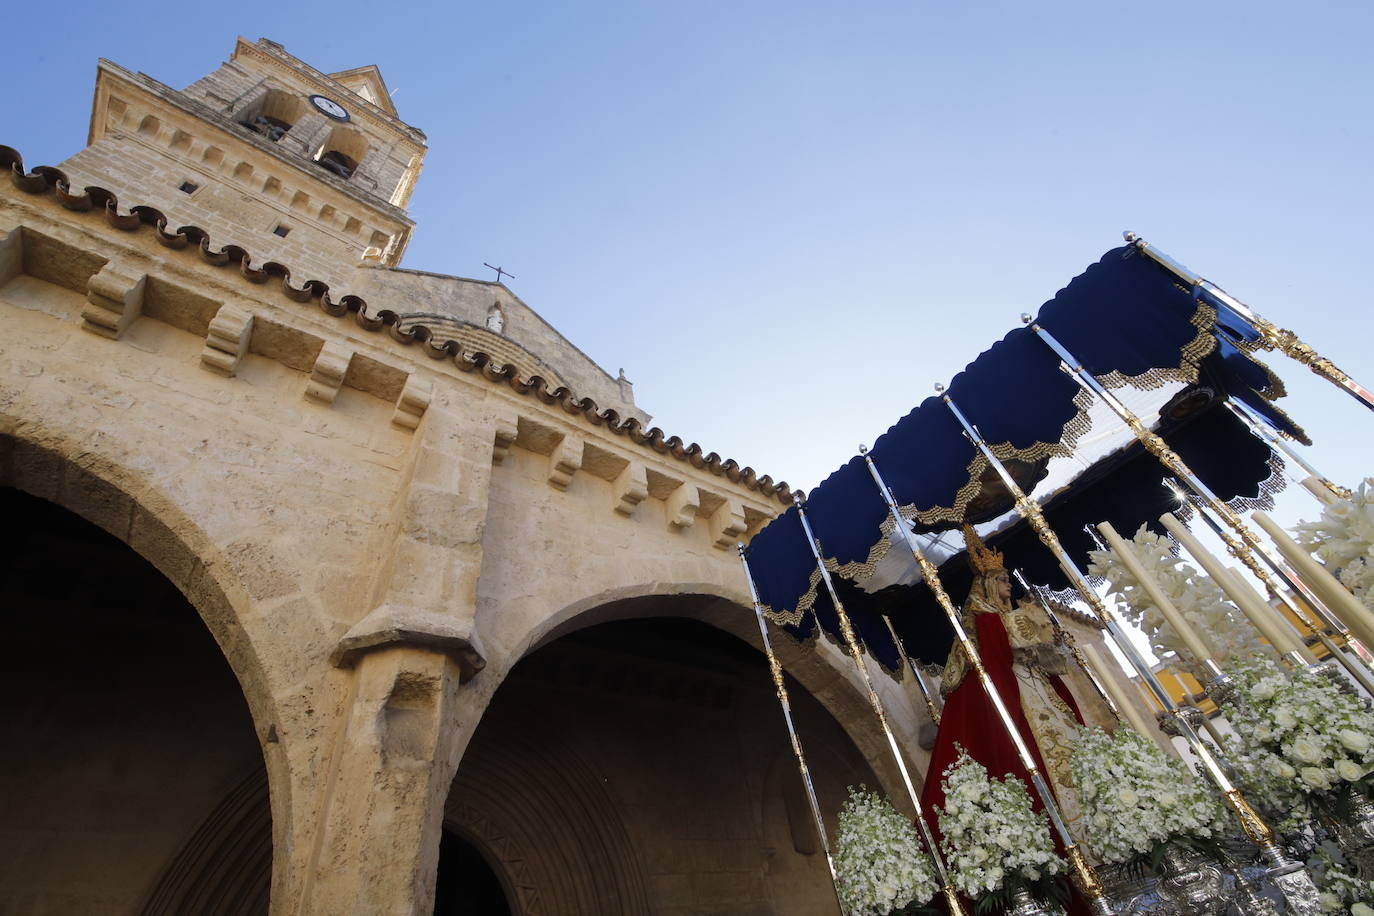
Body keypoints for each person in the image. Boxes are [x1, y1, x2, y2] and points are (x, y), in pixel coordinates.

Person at [920, 525, 1089, 849]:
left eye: (1008, 578)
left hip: (1037, 687)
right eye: (1001, 579)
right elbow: (994, 652)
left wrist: (1047, 640)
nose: (1008, 584)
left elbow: (1047, 659)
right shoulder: (983, 618)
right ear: (986, 583)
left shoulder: (1017, 615)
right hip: (1016, 691)